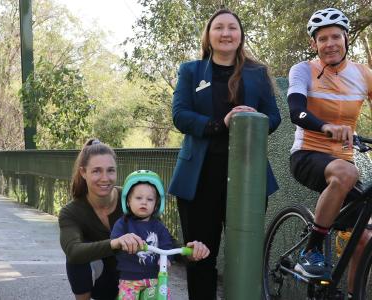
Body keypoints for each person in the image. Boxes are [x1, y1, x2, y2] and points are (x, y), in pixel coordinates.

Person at [168, 8, 281, 300]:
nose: (226, 33)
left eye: (232, 28)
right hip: (200, 177)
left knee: (245, 254)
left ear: (240, 35)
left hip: (248, 176)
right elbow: (180, 116)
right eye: (219, 27)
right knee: (201, 254)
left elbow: (274, 117)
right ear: (208, 35)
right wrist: (221, 123)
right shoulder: (190, 70)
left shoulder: (257, 73)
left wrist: (251, 118)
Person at [287, 7, 372, 298]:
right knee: (347, 172)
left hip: (342, 163)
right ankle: (311, 250)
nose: (330, 43)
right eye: (322, 39)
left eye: (336, 36)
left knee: (364, 237)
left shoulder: (364, 74)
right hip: (307, 155)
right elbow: (296, 112)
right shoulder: (302, 70)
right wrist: (326, 127)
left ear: (346, 38)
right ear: (314, 44)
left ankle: (352, 295)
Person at [59, 139, 209, 300]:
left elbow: (163, 239)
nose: (105, 178)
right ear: (83, 172)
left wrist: (189, 252)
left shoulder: (136, 198)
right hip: (106, 282)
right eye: (96, 171)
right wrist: (116, 242)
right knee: (76, 258)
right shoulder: (71, 212)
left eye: (110, 170)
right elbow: (73, 251)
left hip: (141, 278)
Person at [111, 170, 210, 299]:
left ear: (156, 204)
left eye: (150, 199)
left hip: (154, 278)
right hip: (130, 279)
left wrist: (167, 259)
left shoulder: (159, 226)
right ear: (128, 201)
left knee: (163, 295)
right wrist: (121, 242)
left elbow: (167, 245)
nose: (144, 202)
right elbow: (113, 242)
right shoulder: (123, 223)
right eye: (138, 198)